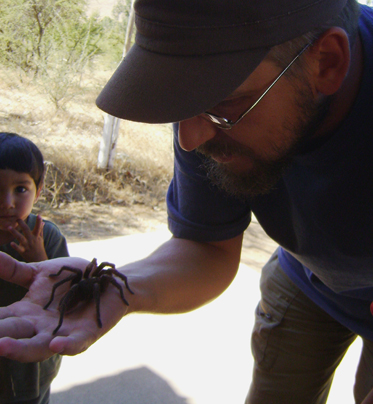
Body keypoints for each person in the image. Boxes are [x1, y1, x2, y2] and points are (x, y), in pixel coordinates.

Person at [0, 0, 371, 402]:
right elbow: (206, 246)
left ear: (327, 63)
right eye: (184, 104)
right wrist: (121, 288)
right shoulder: (207, 112)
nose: (190, 140)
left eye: (222, 108)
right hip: (307, 274)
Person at [0, 132, 69, 404]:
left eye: (20, 189)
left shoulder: (47, 237)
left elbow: (65, 295)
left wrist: (38, 258)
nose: (7, 202)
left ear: (38, 191)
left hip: (31, 366)